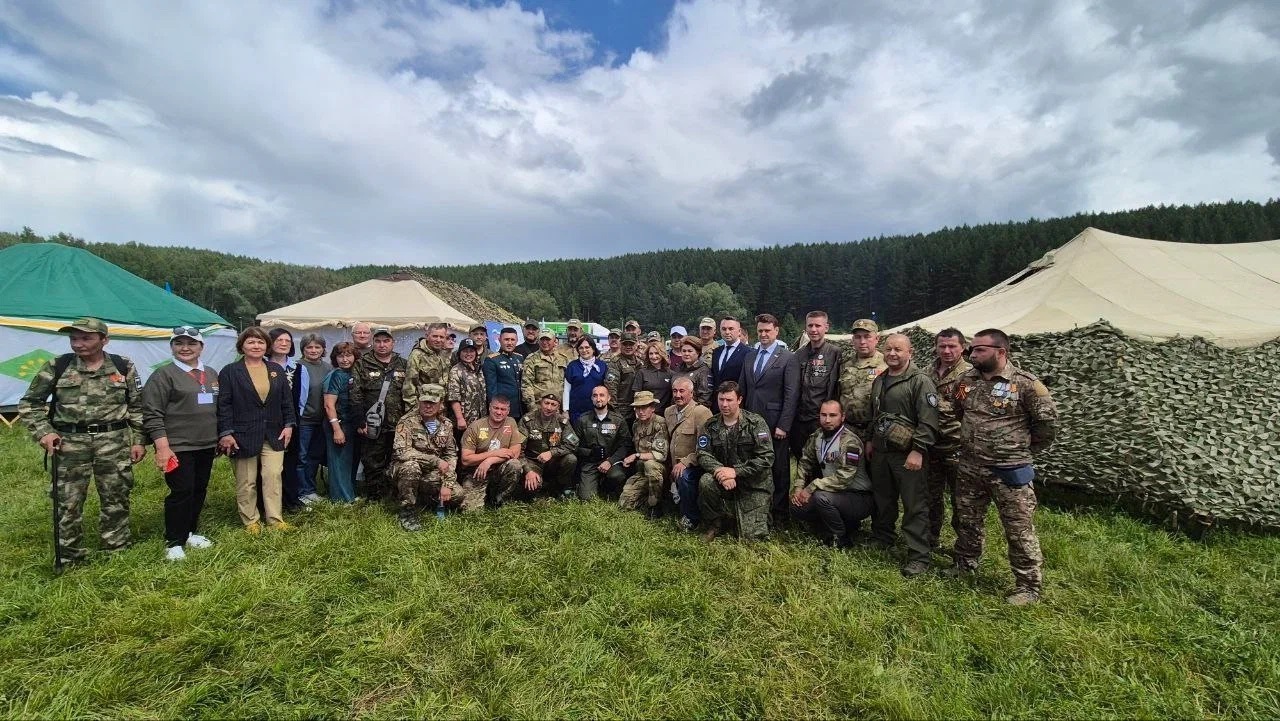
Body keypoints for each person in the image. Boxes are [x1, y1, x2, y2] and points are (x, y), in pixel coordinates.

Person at [943, 328, 1057, 606]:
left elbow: (1047, 426)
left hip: (1009, 469)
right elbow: (957, 410)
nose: (973, 354)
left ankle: (1028, 585)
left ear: (1000, 352)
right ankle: (965, 563)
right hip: (970, 465)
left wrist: (1019, 450)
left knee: (1018, 529)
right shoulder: (966, 380)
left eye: (980, 350)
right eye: (972, 349)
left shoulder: (1026, 384)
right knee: (968, 521)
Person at [19, 317, 145, 565]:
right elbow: (29, 404)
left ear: (104, 340)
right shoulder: (58, 366)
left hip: (114, 441)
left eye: (86, 338)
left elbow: (137, 406)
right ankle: (70, 554)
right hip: (69, 443)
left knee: (116, 495)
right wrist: (44, 432)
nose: (78, 344)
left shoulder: (122, 366)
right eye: (74, 338)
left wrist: (139, 440)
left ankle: (116, 547)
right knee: (68, 500)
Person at [142, 326, 220, 561]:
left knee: (199, 488)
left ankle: (190, 531)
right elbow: (152, 413)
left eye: (191, 343)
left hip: (206, 444)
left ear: (201, 347)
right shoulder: (163, 375)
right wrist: (162, 446)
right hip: (178, 445)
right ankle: (174, 541)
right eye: (179, 343)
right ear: (172, 347)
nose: (185, 348)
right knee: (181, 491)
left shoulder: (212, 373)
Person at [866, 333, 940, 577]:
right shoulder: (881, 380)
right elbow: (874, 415)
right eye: (888, 349)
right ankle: (883, 537)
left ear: (910, 353)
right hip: (882, 452)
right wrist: (870, 441)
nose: (892, 354)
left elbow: (929, 420)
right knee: (883, 500)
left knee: (914, 504)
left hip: (908, 454)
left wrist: (918, 450)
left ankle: (918, 555)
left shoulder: (920, 382)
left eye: (898, 349)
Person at [217, 326, 296, 533]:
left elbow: (286, 402)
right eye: (251, 342)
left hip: (274, 433)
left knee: (273, 476)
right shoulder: (230, 371)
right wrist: (226, 433)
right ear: (242, 345)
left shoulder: (275, 370)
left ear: (266, 346)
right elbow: (223, 405)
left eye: (260, 342)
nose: (256, 346)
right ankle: (251, 520)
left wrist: (289, 425)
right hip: (242, 435)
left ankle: (275, 519)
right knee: (246, 481)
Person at [738, 313, 799, 526]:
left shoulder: (788, 358)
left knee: (779, 468)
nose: (763, 334)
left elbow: (792, 395)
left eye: (767, 330)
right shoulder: (749, 357)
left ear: (776, 331)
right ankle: (756, 510)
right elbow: (743, 390)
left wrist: (784, 425)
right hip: (751, 421)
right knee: (753, 464)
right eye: (760, 330)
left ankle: (781, 515)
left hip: (775, 424)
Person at [697, 381, 774, 542]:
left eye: (729, 400)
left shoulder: (756, 423)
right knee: (706, 481)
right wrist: (721, 472)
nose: (724, 404)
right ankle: (716, 522)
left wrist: (735, 472)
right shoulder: (710, 425)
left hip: (753, 485)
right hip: (725, 481)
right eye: (721, 399)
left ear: (739, 400)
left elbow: (766, 458)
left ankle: (747, 517)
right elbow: (703, 454)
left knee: (751, 538)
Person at [791, 400, 873, 548]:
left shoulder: (850, 442)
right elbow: (805, 462)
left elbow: (844, 478)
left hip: (858, 497)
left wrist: (812, 486)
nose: (827, 420)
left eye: (833, 415)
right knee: (796, 506)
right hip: (835, 495)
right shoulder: (817, 436)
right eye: (824, 415)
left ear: (842, 417)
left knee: (821, 497)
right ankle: (840, 526)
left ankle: (839, 538)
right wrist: (798, 488)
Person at [390, 384, 459, 530]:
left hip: (432, 472)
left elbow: (450, 455)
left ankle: (423, 499)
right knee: (411, 467)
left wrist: (447, 482)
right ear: (419, 401)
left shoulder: (446, 424)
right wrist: (434, 460)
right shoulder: (407, 421)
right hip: (404, 469)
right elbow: (402, 452)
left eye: (432, 403)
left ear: (440, 404)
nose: (428, 406)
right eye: (424, 402)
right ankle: (407, 511)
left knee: (457, 495)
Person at [350, 326, 408, 501]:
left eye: (386, 341)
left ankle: (393, 495)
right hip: (373, 423)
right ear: (373, 342)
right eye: (378, 341)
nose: (382, 345)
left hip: (398, 423)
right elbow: (355, 394)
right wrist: (360, 422)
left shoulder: (403, 363)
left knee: (396, 459)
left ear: (393, 342)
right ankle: (374, 497)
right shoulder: (362, 364)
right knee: (372, 461)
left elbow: (410, 393)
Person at [927, 328, 972, 551]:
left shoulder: (970, 375)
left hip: (958, 448)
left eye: (952, 346)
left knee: (962, 503)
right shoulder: (927, 372)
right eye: (942, 346)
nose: (946, 350)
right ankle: (929, 541)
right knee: (930, 499)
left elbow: (962, 407)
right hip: (931, 446)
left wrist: (932, 407)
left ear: (962, 347)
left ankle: (964, 551)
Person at [790, 310, 842, 463]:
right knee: (802, 460)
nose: (813, 329)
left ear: (826, 327)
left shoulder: (835, 353)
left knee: (824, 462)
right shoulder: (798, 355)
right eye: (810, 325)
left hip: (821, 419)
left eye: (817, 325)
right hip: (799, 420)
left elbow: (837, 388)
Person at [458, 395, 525, 510]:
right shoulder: (476, 427)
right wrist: (493, 454)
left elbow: (515, 452)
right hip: (477, 473)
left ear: (508, 411)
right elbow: (465, 460)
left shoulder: (511, 422)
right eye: (496, 408)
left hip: (498, 471)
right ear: (489, 408)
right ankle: (484, 494)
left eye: (503, 409)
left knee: (515, 465)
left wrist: (490, 460)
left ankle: (499, 499)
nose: (499, 412)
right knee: (470, 512)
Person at [665, 376, 713, 531]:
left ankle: (691, 518)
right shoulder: (669, 412)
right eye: (674, 391)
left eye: (682, 391)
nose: (677, 395)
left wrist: (686, 462)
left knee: (684, 476)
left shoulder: (701, 412)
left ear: (691, 394)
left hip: (695, 464)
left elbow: (705, 446)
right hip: (674, 462)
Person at [573, 385, 631, 500]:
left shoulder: (618, 420)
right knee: (586, 498)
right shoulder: (583, 420)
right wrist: (589, 452)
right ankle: (591, 484)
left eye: (602, 395)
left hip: (611, 462)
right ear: (591, 398)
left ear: (609, 398)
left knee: (617, 476)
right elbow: (573, 445)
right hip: (590, 463)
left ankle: (606, 487)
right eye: (595, 395)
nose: (598, 399)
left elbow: (626, 444)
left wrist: (610, 461)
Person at [267, 328, 303, 511]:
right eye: (279, 340)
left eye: (287, 341)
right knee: (268, 465)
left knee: (290, 462)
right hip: (266, 422)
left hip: (291, 421)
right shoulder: (260, 366)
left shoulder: (298, 367)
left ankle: (291, 500)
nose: (283, 343)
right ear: (270, 342)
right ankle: (267, 502)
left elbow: (302, 396)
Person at [517, 393, 580, 499]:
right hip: (533, 462)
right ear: (541, 403)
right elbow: (518, 449)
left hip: (553, 462)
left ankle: (559, 488)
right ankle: (541, 485)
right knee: (532, 490)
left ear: (557, 407)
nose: (549, 407)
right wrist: (528, 471)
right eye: (546, 403)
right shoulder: (527, 420)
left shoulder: (562, 422)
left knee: (571, 459)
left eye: (553, 404)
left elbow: (573, 443)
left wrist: (552, 453)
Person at [619, 391, 668, 517]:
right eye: (637, 408)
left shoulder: (659, 424)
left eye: (644, 407)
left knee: (650, 465)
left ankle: (655, 506)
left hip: (658, 470)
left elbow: (661, 455)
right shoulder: (636, 424)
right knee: (624, 503)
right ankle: (647, 497)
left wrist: (636, 456)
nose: (640, 411)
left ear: (652, 408)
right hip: (642, 470)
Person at [293, 333, 329, 506]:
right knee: (301, 456)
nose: (313, 350)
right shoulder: (297, 367)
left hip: (322, 420)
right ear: (303, 349)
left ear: (323, 349)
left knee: (314, 456)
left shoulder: (328, 368)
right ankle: (301, 491)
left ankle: (311, 490)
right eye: (309, 347)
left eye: (317, 347)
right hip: (304, 420)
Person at [322, 341, 358, 503]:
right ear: (335, 358)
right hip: (338, 423)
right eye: (341, 356)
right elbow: (329, 404)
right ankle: (340, 499)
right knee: (339, 463)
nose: (345, 359)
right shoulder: (335, 375)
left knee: (349, 461)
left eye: (348, 355)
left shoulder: (352, 373)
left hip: (351, 424)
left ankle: (349, 493)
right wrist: (336, 429)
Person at [839, 319, 888, 439]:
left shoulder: (886, 364)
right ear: (852, 340)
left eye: (867, 337)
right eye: (858, 337)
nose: (862, 342)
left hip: (876, 431)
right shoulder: (845, 364)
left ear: (877, 339)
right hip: (847, 430)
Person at [521, 329, 568, 417]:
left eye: (548, 339)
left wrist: (565, 409)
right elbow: (526, 385)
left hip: (559, 409)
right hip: (539, 409)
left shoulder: (563, 359)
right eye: (542, 339)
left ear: (554, 341)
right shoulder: (531, 359)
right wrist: (532, 408)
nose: (545, 342)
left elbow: (567, 384)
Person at [404, 323, 452, 408]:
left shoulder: (444, 355)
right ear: (427, 336)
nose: (438, 340)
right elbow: (409, 385)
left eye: (441, 337)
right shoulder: (417, 355)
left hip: (441, 407)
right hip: (425, 408)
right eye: (435, 336)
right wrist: (413, 409)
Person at [446, 338, 487, 436]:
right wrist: (460, 418)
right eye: (465, 351)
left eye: (471, 351)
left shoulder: (479, 368)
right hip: (465, 421)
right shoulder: (455, 371)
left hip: (481, 419)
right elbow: (454, 398)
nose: (468, 354)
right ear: (459, 353)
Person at [483, 327, 525, 419]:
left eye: (512, 340)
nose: (510, 343)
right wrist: (496, 411)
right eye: (506, 339)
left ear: (517, 341)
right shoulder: (492, 360)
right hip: (502, 410)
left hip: (520, 408)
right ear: (499, 340)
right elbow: (491, 390)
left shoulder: (519, 358)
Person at [564, 335, 607, 423]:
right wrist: (565, 410)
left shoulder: (602, 366)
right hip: (576, 411)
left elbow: (606, 388)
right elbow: (566, 390)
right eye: (581, 348)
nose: (584, 350)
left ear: (593, 349)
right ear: (578, 350)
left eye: (587, 347)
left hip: (596, 410)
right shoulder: (572, 366)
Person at [602, 331, 642, 422]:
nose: (628, 347)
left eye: (631, 344)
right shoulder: (615, 363)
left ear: (636, 345)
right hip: (622, 411)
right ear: (620, 345)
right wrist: (615, 412)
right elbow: (611, 389)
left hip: (639, 409)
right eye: (625, 344)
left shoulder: (641, 363)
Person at [630, 342, 673, 412]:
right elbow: (636, 395)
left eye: (657, 353)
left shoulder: (670, 374)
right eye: (651, 353)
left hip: (665, 414)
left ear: (662, 354)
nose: (654, 356)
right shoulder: (642, 372)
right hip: (646, 414)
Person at [710, 316, 749, 391]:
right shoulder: (716, 352)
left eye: (731, 329)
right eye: (724, 329)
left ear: (739, 331)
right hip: (717, 399)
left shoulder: (748, 353)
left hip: (736, 399)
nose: (727, 332)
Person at [673, 337, 711, 408]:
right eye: (684, 351)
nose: (686, 354)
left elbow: (705, 397)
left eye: (690, 351)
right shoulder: (678, 369)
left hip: (694, 412)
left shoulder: (704, 370)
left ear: (698, 352)